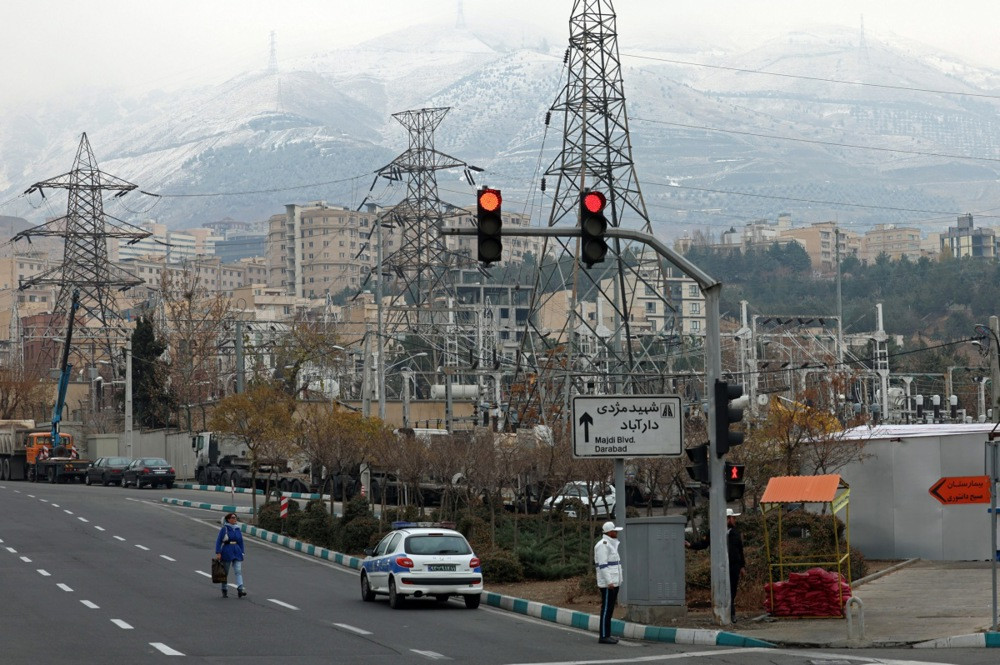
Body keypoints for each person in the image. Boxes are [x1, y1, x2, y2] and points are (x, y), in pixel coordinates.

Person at [686, 507, 746, 622]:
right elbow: (704, 544)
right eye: (733, 518)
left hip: (733, 567)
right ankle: (721, 613)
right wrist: (691, 545)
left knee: (732, 591)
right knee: (721, 589)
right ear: (727, 519)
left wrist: (742, 566)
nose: (734, 520)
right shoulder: (714, 532)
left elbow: (740, 550)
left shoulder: (735, 533)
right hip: (719, 566)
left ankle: (731, 614)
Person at [594, 521, 624, 644]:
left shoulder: (611, 544)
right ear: (609, 532)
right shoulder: (603, 545)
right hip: (608, 584)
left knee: (610, 609)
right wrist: (609, 582)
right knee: (606, 609)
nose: (616, 533)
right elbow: (603, 565)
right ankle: (604, 636)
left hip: (613, 583)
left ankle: (607, 634)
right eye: (614, 531)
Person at [215, 512, 246, 598]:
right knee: (225, 572)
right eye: (233, 517)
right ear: (228, 519)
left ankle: (240, 589)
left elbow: (241, 541)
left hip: (237, 551)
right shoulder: (224, 529)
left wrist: (242, 551)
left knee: (238, 571)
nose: (235, 519)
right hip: (227, 551)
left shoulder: (237, 529)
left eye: (235, 517)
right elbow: (218, 541)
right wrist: (218, 552)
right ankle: (224, 589)